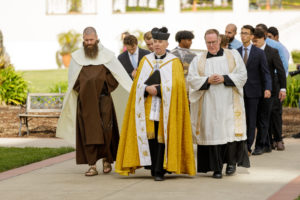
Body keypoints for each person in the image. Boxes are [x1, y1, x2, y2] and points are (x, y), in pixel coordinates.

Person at [115, 27, 196, 181]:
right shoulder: (146, 61)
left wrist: (159, 90)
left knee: (162, 137)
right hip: (147, 106)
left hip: (167, 107)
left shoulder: (174, 62)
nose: (157, 45)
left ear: (166, 43)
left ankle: (160, 169)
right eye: (155, 42)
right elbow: (137, 85)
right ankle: (153, 166)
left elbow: (178, 86)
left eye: (160, 42)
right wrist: (146, 88)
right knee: (151, 138)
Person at [56, 27, 132, 176]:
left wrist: (102, 84)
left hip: (104, 99)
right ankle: (92, 165)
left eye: (91, 40)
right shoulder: (77, 57)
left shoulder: (108, 55)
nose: (89, 43)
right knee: (89, 132)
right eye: (86, 40)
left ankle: (106, 160)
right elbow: (73, 80)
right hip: (85, 102)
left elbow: (117, 77)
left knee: (106, 130)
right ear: (83, 40)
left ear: (97, 38)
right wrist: (85, 88)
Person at [188, 29, 249, 179]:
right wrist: (207, 80)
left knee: (229, 132)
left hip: (229, 103)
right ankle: (216, 168)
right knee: (213, 134)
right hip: (209, 106)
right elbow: (191, 79)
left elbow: (242, 75)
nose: (211, 45)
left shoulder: (233, 55)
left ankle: (230, 164)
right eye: (208, 43)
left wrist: (225, 78)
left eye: (214, 42)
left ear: (219, 41)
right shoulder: (199, 60)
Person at [251, 28, 286, 155]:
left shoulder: (272, 52)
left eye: (256, 41)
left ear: (263, 38)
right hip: (255, 89)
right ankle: (266, 144)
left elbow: (281, 71)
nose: (254, 43)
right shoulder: (252, 51)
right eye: (253, 41)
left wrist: (283, 89)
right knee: (257, 118)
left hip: (269, 90)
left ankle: (262, 145)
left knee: (264, 118)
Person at [237, 25, 272, 155]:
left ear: (252, 36)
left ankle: (247, 147)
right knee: (239, 120)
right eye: (241, 33)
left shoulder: (259, 53)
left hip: (254, 92)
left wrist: (268, 88)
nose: (242, 35)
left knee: (251, 120)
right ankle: (239, 145)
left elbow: (266, 73)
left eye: (245, 33)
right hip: (238, 92)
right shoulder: (236, 51)